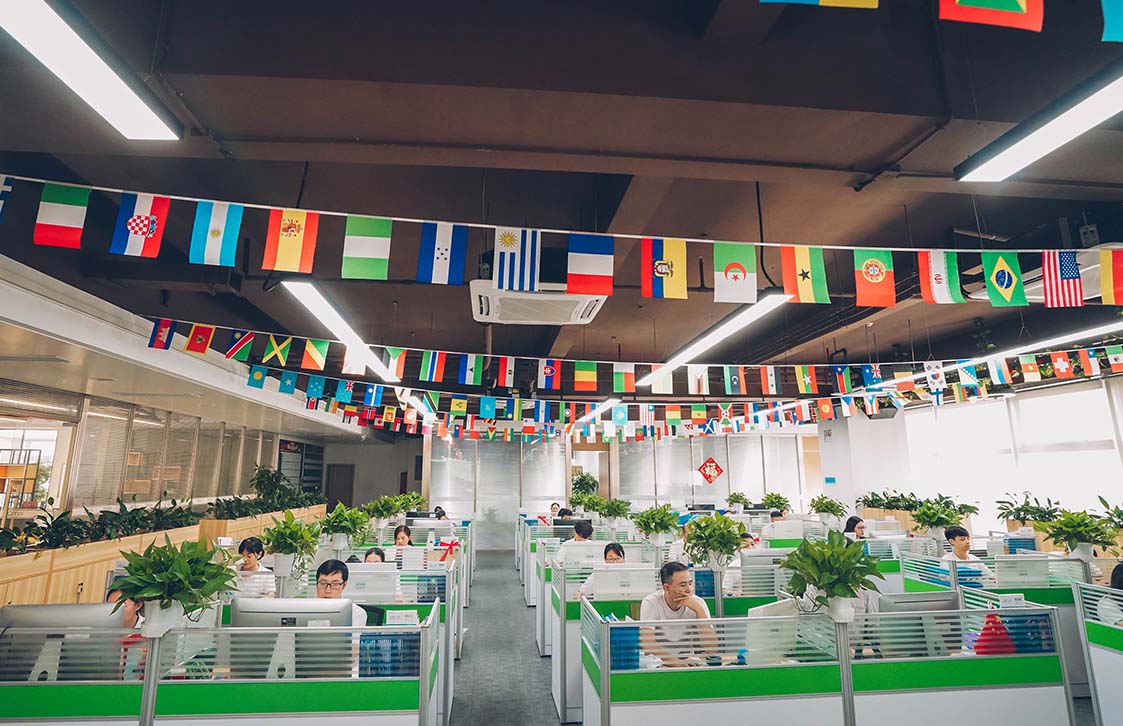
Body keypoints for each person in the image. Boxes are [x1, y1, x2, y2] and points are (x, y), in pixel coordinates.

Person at [639, 562, 718, 666]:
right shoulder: (651, 602)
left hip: (688, 661)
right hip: (659, 662)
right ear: (666, 588)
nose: (689, 590)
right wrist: (676, 662)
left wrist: (699, 611)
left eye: (690, 584)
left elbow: (712, 649)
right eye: (683, 585)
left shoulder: (698, 603)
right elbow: (648, 645)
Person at [315, 559, 367, 626]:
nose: (328, 590)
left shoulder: (355, 613)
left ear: (344, 585)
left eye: (335, 584)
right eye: (323, 583)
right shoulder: (306, 610)